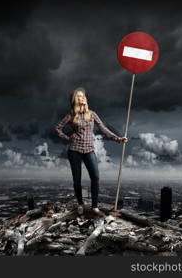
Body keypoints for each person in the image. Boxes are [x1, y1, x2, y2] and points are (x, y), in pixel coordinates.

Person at [54, 87, 127, 216]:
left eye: (84, 96)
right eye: (80, 96)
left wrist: (118, 139)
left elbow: (103, 129)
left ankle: (94, 207)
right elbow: (57, 128)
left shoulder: (92, 114)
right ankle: (80, 204)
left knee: (96, 177)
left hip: (89, 149)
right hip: (74, 150)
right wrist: (68, 138)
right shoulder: (72, 114)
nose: (83, 98)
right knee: (77, 179)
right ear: (76, 100)